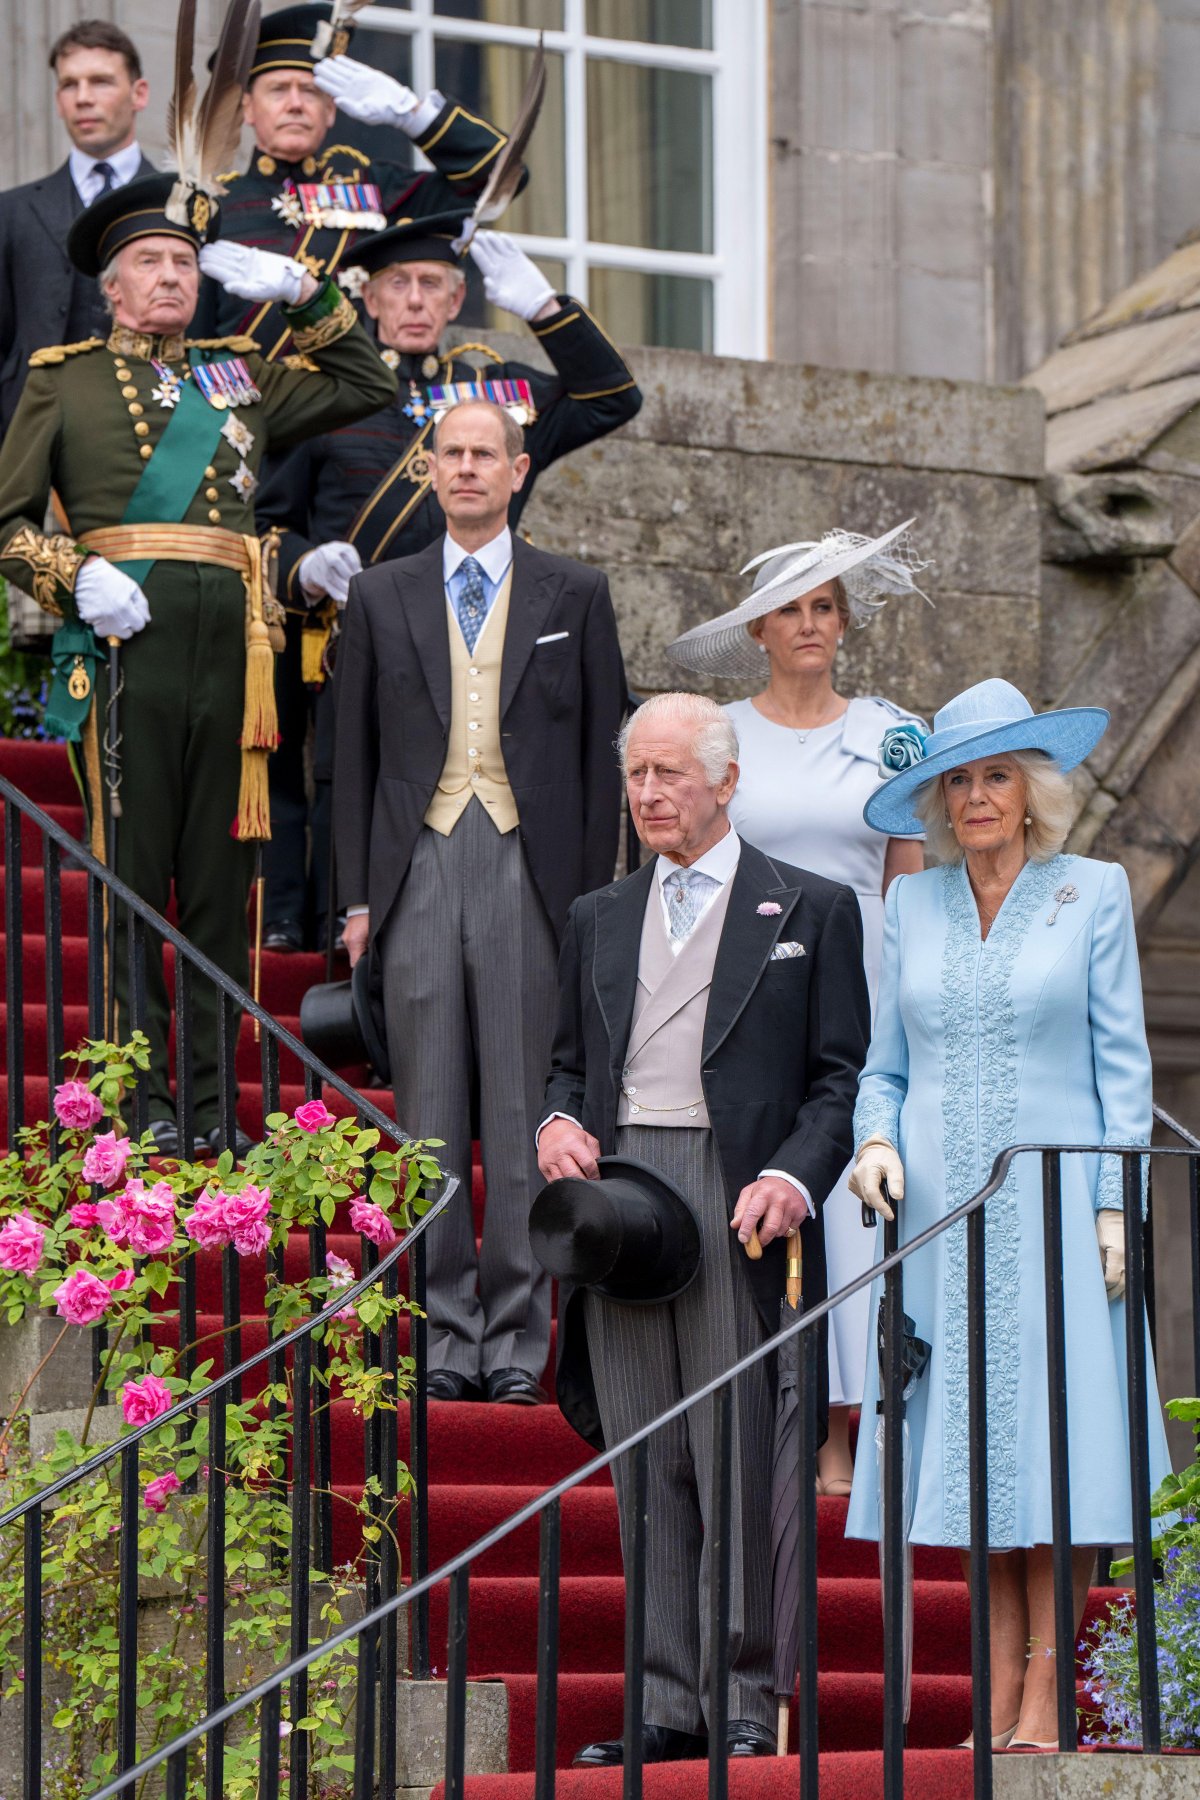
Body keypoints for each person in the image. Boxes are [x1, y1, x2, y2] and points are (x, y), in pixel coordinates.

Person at [0, 175, 397, 1157]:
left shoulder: (239, 373)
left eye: (184, 261)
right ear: (112, 289)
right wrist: (72, 576)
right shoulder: (65, 378)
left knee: (225, 890)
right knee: (134, 882)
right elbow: (6, 525)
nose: (171, 276)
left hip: (236, 656)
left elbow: (368, 384)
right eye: (150, 263)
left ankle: (214, 1104)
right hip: (126, 648)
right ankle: (140, 1105)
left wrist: (307, 293)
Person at [537, 692, 871, 1765]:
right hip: (623, 1196)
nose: (648, 795)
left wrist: (792, 1176)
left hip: (739, 1200)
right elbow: (564, 1066)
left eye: (669, 774)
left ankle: (742, 1691)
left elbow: (836, 1081)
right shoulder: (598, 913)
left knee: (732, 1451)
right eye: (637, 776)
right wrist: (553, 1123)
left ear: (726, 781)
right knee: (647, 1453)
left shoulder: (809, 908)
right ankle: (666, 1702)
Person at [844, 677, 1173, 1751]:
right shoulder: (912, 904)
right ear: (937, 798)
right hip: (941, 1217)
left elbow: (1124, 1073)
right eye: (958, 779)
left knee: (1055, 1450)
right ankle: (994, 1695)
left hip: (1059, 1214)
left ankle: (1045, 1692)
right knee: (975, 1458)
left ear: (1031, 792)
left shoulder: (1095, 892)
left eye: (996, 776)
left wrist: (1116, 1206)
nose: (976, 797)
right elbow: (882, 1070)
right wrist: (875, 1142)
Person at [333, 396, 626, 1404]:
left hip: (528, 871)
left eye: (482, 455)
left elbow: (601, 762)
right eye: (448, 455)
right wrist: (356, 904)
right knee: (427, 1121)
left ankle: (514, 1340)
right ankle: (443, 1334)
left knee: (517, 1116)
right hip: (415, 868)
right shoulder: (381, 595)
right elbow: (352, 759)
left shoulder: (575, 593)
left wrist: (593, 908)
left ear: (516, 469)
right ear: (430, 472)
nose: (465, 470)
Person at [256, 212, 641, 952]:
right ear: (368, 302)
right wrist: (304, 566)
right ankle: (327, 954)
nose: (413, 301)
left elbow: (613, 398)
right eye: (396, 285)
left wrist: (545, 309)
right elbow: (269, 522)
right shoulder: (327, 398)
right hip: (356, 644)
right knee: (347, 792)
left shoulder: (500, 394)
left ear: (457, 299)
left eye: (431, 284)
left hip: (484, 651)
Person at [667, 520, 928, 1496]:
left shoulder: (893, 734)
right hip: (756, 983)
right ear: (759, 632)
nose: (811, 624)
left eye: (826, 607)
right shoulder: (720, 737)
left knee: (858, 1204)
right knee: (772, 1188)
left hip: (865, 982)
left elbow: (910, 878)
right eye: (792, 609)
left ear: (844, 625)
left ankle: (855, 1439)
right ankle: (787, 1415)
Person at [201, 2, 517, 357]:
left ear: (331, 109)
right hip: (250, 403)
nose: (295, 105)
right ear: (247, 108)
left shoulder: (375, 188)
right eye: (278, 90)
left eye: (310, 92)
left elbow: (502, 177)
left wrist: (413, 114)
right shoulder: (217, 207)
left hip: (358, 404)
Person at [0, 20, 156, 430]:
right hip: (32, 441)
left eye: (101, 81)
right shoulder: (10, 212)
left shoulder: (178, 204)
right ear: (58, 100)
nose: (83, 98)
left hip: (153, 438)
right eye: (70, 85)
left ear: (139, 93)